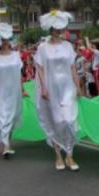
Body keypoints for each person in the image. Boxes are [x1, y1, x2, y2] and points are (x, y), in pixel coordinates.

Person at [35, 10, 82, 171]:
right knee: (57, 121)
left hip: (67, 86)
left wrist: (78, 86)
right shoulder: (42, 47)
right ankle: (58, 156)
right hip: (51, 89)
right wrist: (44, 88)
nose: (57, 30)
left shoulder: (68, 46)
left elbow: (73, 67)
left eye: (59, 27)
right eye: (54, 27)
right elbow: (40, 69)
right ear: (50, 28)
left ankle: (69, 154)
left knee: (69, 120)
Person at [0, 23, 22, 159]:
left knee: (11, 118)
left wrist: (22, 89)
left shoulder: (16, 56)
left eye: (6, 38)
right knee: (2, 117)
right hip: (0, 91)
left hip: (14, 92)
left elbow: (19, 75)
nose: (4, 41)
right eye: (1, 39)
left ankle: (7, 142)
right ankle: (6, 145)